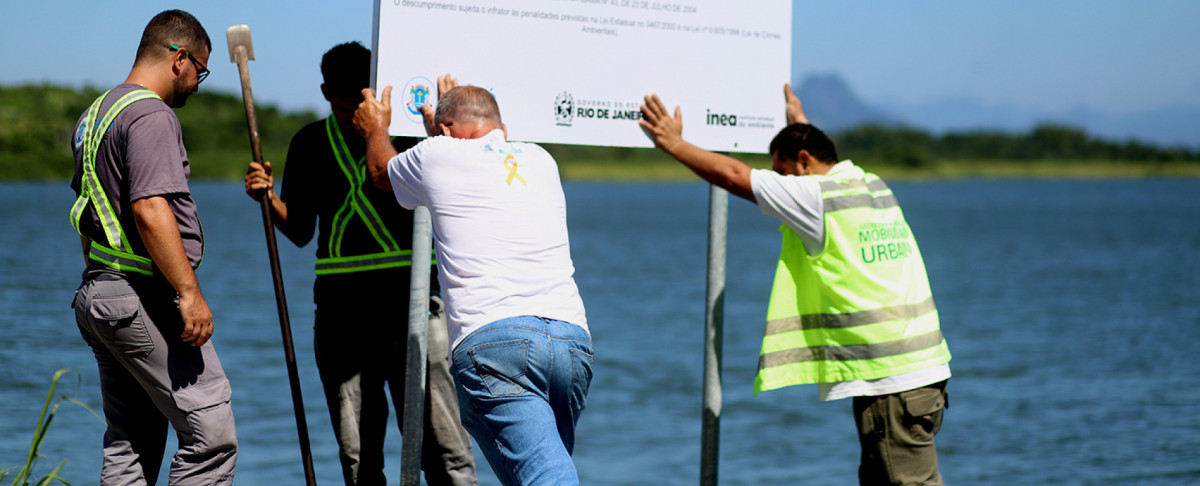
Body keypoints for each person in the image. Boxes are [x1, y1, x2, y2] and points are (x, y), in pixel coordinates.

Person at [639, 83, 951, 486]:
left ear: (803, 162)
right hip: (922, 372)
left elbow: (735, 176)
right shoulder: (871, 185)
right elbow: (814, 157)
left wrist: (672, 143)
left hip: (893, 382)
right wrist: (800, 124)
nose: (781, 183)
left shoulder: (816, 197)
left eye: (782, 173)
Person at [243, 42, 477, 486]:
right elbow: (299, 231)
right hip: (341, 313)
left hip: (413, 305)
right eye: (343, 100)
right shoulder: (310, 142)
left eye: (361, 96)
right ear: (326, 91)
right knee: (359, 457)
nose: (354, 109)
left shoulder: (408, 134)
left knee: (444, 447)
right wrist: (268, 198)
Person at [353, 77, 593, 486]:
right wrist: (441, 129)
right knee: (543, 472)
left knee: (545, 478)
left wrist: (375, 127)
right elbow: (478, 156)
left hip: (496, 343)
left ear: (445, 131)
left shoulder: (436, 154)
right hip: (571, 343)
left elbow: (380, 172)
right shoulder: (541, 160)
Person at [70, 9, 238, 485]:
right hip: (139, 295)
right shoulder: (150, 114)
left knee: (131, 444)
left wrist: (101, 280)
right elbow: (149, 208)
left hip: (99, 294)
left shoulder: (95, 115)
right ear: (179, 58)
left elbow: (88, 213)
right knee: (212, 436)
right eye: (201, 71)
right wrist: (189, 293)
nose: (199, 84)